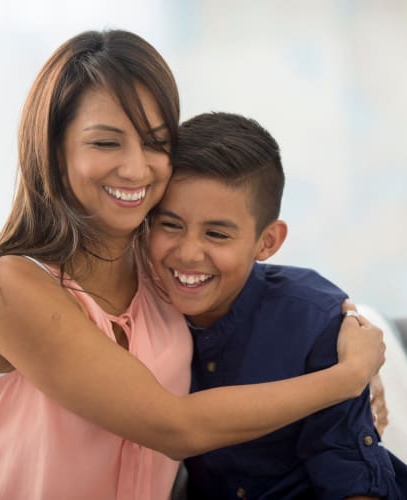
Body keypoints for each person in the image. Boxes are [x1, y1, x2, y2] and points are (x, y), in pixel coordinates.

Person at [0, 31, 385, 500]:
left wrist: (339, 338)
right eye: (106, 143)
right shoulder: (10, 285)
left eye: (155, 143)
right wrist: (345, 379)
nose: (137, 169)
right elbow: (174, 428)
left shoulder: (164, 270)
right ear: (55, 150)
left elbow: (265, 291)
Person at [149, 111, 407, 499]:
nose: (187, 252)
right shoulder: (139, 310)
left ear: (267, 241)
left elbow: (354, 483)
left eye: (217, 234)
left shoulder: (315, 323)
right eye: (169, 225)